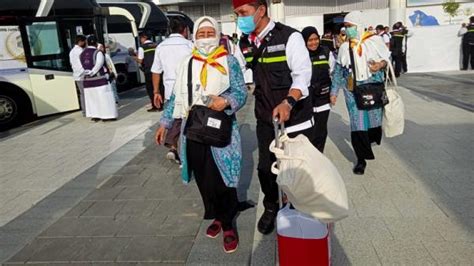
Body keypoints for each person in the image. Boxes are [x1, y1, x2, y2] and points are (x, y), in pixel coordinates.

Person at [155, 16, 247, 253]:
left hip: (220, 130)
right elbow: (176, 95)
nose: (206, 38)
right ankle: (216, 215)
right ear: (194, 36)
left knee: (222, 178)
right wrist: (165, 122)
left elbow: (241, 91)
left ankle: (228, 224)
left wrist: (225, 100)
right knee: (204, 179)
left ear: (217, 34)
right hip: (193, 129)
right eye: (201, 34)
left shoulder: (228, 61)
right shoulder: (186, 62)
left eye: (210, 33)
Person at [234, 0, 313, 235]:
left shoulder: (290, 37)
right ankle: (271, 206)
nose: (239, 18)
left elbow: (302, 75)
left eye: (243, 13)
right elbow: (238, 71)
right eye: (236, 14)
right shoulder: (245, 43)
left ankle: (300, 208)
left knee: (298, 169)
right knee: (266, 168)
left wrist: (288, 101)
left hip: (295, 116)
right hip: (266, 118)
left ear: (261, 10)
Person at [330, 11, 390, 175]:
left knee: (374, 122)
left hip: (372, 88)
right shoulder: (343, 47)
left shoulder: (374, 41)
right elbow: (338, 72)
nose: (347, 30)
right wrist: (334, 92)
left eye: (350, 26)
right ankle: (361, 159)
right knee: (358, 125)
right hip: (352, 91)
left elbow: (386, 59)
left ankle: (370, 141)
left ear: (359, 25)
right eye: (346, 26)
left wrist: (380, 65)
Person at [151, 18, 193, 165]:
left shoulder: (161, 47)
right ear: (185, 30)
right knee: (185, 123)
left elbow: (156, 71)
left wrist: (156, 92)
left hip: (169, 91)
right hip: (188, 91)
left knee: (174, 120)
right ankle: (180, 152)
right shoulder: (190, 45)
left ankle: (174, 147)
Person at [302, 26, 336, 153]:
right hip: (306, 99)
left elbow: (332, 72)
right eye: (310, 40)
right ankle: (309, 154)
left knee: (321, 129)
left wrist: (333, 92)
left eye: (316, 39)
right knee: (308, 129)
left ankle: (318, 154)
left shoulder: (326, 53)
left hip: (323, 99)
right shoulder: (300, 55)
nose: (314, 42)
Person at [80, 35, 118, 122]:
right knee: (105, 98)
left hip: (87, 81)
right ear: (96, 43)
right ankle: (107, 116)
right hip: (100, 80)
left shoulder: (82, 53)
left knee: (92, 99)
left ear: (87, 42)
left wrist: (87, 73)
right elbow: (98, 65)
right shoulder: (98, 53)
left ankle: (95, 115)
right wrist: (92, 72)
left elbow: (81, 66)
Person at [135, 31, 159, 112]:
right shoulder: (156, 45)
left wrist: (134, 57)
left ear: (144, 37)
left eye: (140, 38)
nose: (140, 40)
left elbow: (140, 61)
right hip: (159, 69)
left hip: (148, 70)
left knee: (151, 88)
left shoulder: (142, 47)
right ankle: (160, 105)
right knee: (160, 87)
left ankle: (155, 105)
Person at [69, 35, 88, 116]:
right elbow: (84, 63)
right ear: (80, 42)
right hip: (83, 75)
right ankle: (87, 111)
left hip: (76, 75)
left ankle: (84, 111)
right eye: (84, 41)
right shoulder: (81, 51)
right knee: (86, 94)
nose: (85, 43)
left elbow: (71, 63)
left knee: (82, 94)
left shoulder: (72, 51)